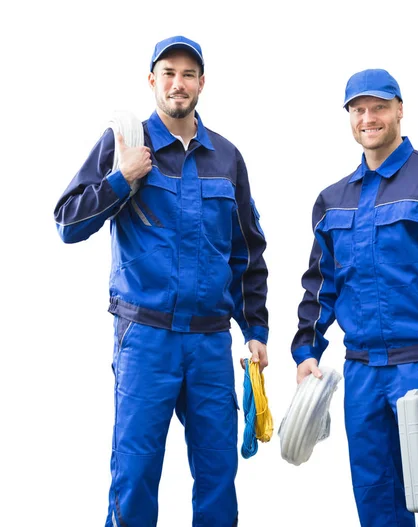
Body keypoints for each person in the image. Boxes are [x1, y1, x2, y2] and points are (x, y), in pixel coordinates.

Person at [54, 35, 268, 527]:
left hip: (211, 343)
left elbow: (247, 252)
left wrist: (255, 330)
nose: (178, 83)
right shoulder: (125, 143)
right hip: (145, 338)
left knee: (218, 477)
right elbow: (67, 223)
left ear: (202, 84)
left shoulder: (227, 159)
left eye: (188, 74)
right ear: (152, 80)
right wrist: (120, 179)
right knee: (135, 475)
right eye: (168, 73)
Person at [291, 69, 418, 527]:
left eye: (378, 106)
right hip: (361, 372)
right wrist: (306, 349)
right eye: (358, 109)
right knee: (376, 498)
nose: (368, 117)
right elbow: (320, 283)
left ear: (400, 109)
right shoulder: (332, 200)